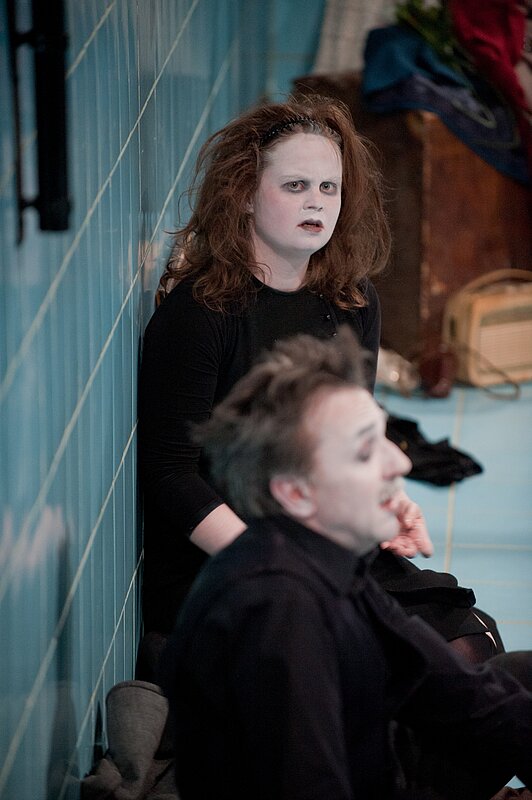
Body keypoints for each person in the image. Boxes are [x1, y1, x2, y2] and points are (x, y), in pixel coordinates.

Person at [137, 93, 500, 661]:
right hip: (224, 557)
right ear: (244, 195)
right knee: (379, 659)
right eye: (295, 186)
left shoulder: (352, 301)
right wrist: (273, 564)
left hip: (321, 538)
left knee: (469, 642)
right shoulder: (202, 313)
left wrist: (386, 501)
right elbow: (169, 475)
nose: (317, 202)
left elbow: (353, 436)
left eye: (329, 187)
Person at [160, 328, 532, 800]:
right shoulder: (278, 610)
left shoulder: (327, 558)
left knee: (516, 679)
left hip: (376, 760)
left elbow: (448, 684)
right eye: (365, 451)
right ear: (296, 493)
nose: (400, 463)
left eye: (385, 437)